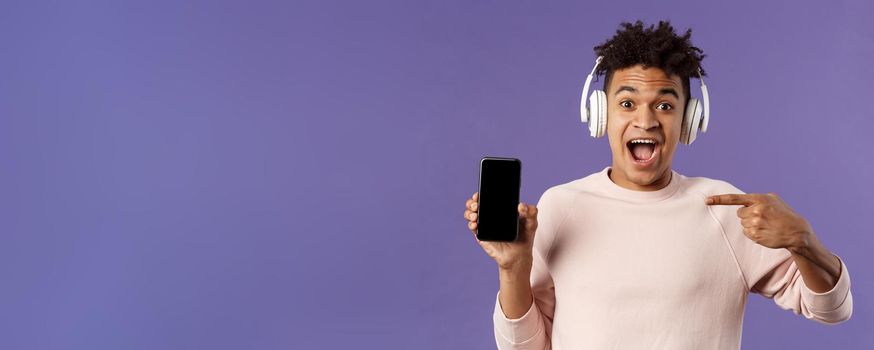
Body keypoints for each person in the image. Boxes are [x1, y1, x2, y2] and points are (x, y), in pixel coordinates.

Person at [461, 20, 852, 349]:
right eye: (627, 103)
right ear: (601, 115)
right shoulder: (562, 207)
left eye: (665, 105)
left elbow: (832, 310)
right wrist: (514, 268)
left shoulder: (723, 210)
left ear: (688, 120)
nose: (646, 121)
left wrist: (804, 242)